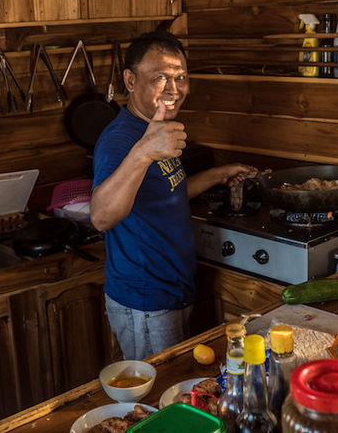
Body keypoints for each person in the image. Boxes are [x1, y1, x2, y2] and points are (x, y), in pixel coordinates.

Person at [91, 31, 253, 360]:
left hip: (173, 289)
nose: (174, 89)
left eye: (180, 77)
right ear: (130, 80)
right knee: (158, 400)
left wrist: (217, 175)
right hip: (145, 299)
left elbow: (167, 193)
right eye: (160, 78)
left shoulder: (156, 127)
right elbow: (101, 217)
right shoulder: (121, 141)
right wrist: (143, 153)